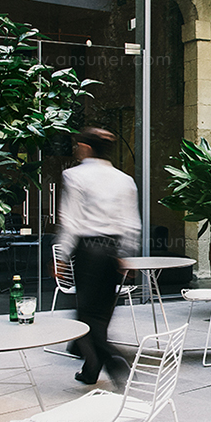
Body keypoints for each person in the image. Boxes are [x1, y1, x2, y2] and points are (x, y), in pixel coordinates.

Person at [55, 127, 142, 388]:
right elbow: (131, 223)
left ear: (86, 147)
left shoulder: (74, 176)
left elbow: (70, 221)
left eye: (79, 144)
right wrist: (126, 255)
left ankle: (115, 362)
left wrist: (62, 256)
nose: (76, 149)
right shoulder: (124, 180)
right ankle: (90, 369)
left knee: (87, 316)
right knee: (101, 314)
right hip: (112, 251)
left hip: (88, 251)